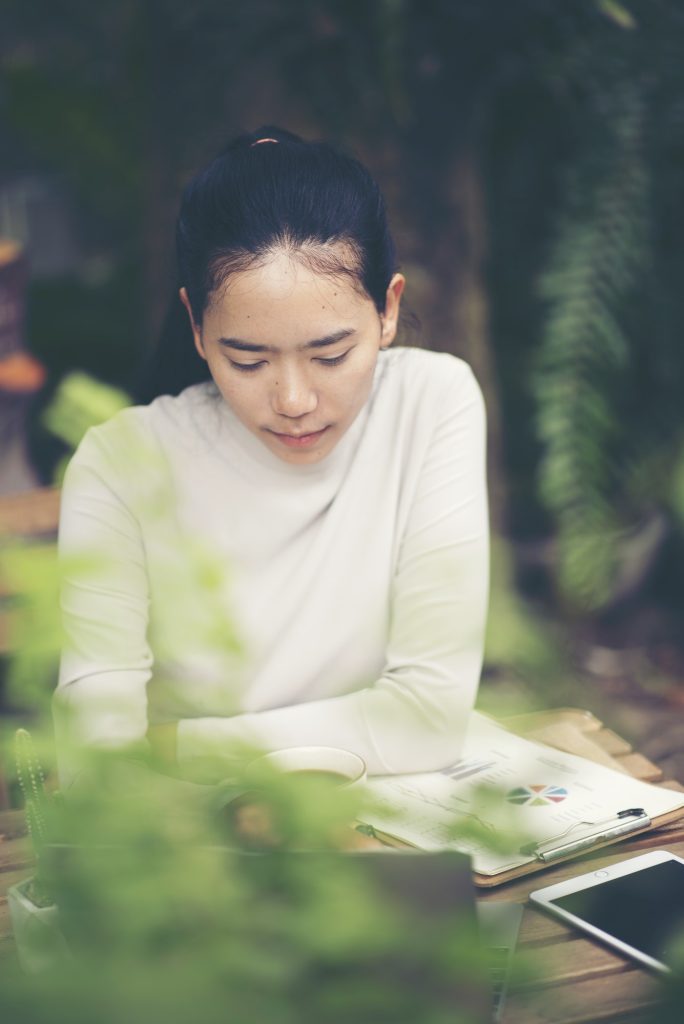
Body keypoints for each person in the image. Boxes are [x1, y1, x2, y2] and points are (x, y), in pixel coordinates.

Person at [54, 126, 489, 788]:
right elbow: (97, 758)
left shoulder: (432, 404)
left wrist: (171, 747)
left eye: (331, 355)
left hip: (390, 833)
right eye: (248, 359)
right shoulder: (123, 464)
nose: (292, 399)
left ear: (388, 310)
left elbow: (428, 721)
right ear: (196, 328)